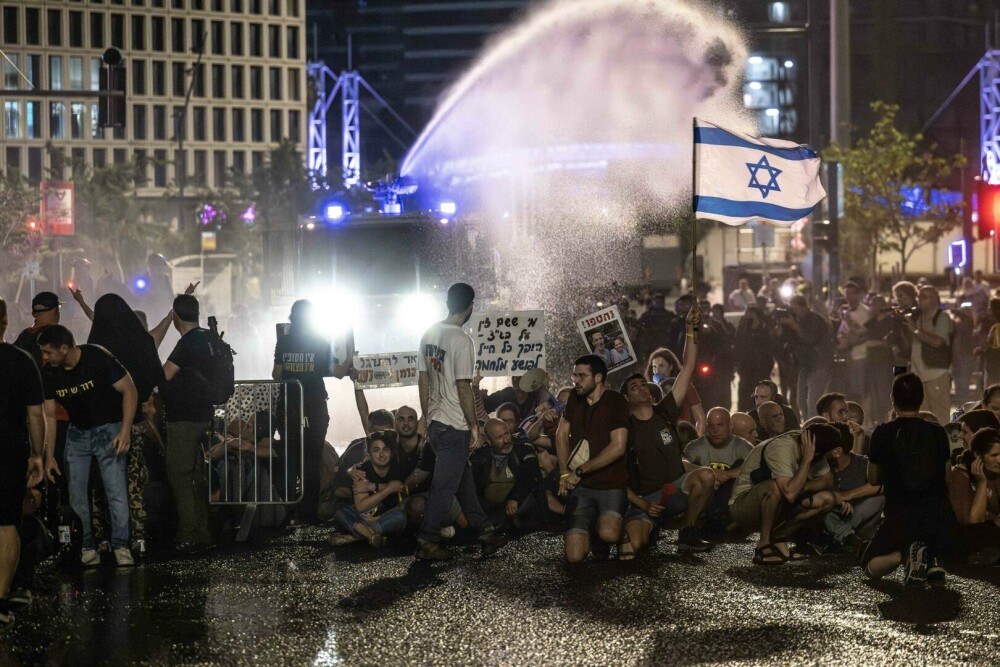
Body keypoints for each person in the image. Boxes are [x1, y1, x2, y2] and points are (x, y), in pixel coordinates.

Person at [414, 283, 507, 560]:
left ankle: (486, 532)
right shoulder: (462, 340)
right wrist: (475, 425)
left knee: (462, 480)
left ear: (447, 302)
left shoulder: (430, 333)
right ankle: (427, 540)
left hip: (438, 422)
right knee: (444, 486)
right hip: (455, 425)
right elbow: (464, 386)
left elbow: (423, 378)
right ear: (470, 307)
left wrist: (428, 415)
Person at [38, 325, 138, 567]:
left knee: (115, 491)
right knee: (77, 495)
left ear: (64, 348)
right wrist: (48, 455)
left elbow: (130, 390)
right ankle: (86, 547)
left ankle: (121, 546)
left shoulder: (97, 358)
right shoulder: (50, 373)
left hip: (109, 429)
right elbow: (49, 416)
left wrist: (125, 430)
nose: (44, 357)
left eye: (47, 352)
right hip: (78, 432)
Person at [620, 323, 716, 556]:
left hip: (674, 489)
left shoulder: (665, 411)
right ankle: (649, 527)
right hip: (644, 499)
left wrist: (690, 329)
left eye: (643, 384)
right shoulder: (623, 428)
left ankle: (688, 531)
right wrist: (643, 505)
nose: (642, 388)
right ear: (626, 397)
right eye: (634, 387)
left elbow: (688, 368)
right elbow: (615, 477)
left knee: (705, 475)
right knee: (635, 547)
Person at [86, 293, 167, 556]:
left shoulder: (97, 347)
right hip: (135, 425)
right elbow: (156, 377)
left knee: (103, 484)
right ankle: (138, 537)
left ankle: (103, 538)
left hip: (103, 426)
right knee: (134, 482)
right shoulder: (141, 342)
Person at [273, 299, 348, 521]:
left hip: (289, 406)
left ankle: (287, 509)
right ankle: (309, 511)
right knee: (312, 459)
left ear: (292, 318)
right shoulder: (319, 342)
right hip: (314, 405)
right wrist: (351, 358)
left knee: (291, 456)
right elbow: (338, 371)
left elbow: (276, 375)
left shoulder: (284, 342)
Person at [728, 423, 841, 565]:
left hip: (777, 505)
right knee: (774, 487)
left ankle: (778, 538)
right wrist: (806, 459)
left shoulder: (813, 444)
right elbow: (790, 494)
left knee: (827, 499)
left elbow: (827, 481)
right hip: (743, 507)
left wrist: (802, 487)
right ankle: (763, 545)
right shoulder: (782, 447)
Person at [556, 353, 631, 563]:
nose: (575, 380)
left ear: (598, 378)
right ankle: (593, 531)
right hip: (581, 486)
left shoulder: (616, 401)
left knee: (609, 533)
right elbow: (561, 434)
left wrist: (579, 471)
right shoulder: (574, 397)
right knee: (574, 556)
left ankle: (619, 529)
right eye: (574, 375)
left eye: (581, 376)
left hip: (610, 484)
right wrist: (563, 472)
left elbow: (618, 447)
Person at [0, 300, 45, 626]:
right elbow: (34, 414)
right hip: (9, 449)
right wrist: (37, 454)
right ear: (4, 322)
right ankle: (0, 599)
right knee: (6, 523)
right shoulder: (21, 360)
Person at [160, 295, 215, 553]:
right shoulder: (209, 338)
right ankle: (203, 531)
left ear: (175, 317)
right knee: (196, 476)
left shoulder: (186, 344)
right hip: (205, 415)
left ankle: (188, 534)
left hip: (183, 418)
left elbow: (165, 375)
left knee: (179, 476)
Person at [683, 407, 754, 535]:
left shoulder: (742, 445)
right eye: (711, 426)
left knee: (740, 472)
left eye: (720, 425)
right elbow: (682, 464)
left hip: (729, 496)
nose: (715, 430)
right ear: (706, 427)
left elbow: (755, 466)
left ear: (730, 426)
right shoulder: (696, 446)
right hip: (705, 493)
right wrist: (710, 473)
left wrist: (726, 474)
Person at [332, 431, 408, 548]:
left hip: (382, 517)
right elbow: (361, 507)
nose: (381, 454)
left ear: (391, 452)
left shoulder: (397, 469)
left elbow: (402, 503)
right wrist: (388, 489)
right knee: (340, 512)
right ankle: (371, 536)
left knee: (400, 517)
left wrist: (373, 487)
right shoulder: (361, 471)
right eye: (376, 450)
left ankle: (357, 536)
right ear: (369, 454)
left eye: (385, 449)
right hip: (362, 516)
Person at [470, 418, 543, 532]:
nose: (505, 440)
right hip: (491, 506)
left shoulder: (522, 448)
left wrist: (515, 498)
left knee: (527, 503)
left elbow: (528, 475)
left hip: (518, 502)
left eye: (507, 434)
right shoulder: (480, 457)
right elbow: (471, 488)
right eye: (499, 437)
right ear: (489, 441)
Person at [821, 423, 884, 553]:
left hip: (857, 514)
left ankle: (843, 539)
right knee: (822, 507)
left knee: (880, 498)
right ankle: (847, 538)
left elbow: (879, 484)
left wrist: (848, 495)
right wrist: (837, 500)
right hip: (835, 515)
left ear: (837, 452)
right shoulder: (822, 466)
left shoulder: (862, 463)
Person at [784, 295, 834, 420]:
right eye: (792, 309)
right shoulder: (798, 320)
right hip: (805, 364)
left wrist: (794, 326)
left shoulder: (815, 320)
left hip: (819, 363)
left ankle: (815, 428)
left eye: (795, 309)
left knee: (814, 401)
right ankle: (808, 423)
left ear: (804, 307)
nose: (793, 312)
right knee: (801, 400)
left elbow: (810, 338)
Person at [910, 286, 954, 425]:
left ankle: (943, 445)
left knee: (940, 417)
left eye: (924, 297)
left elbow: (938, 342)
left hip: (936, 374)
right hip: (918, 375)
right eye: (919, 296)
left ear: (934, 299)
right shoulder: (917, 317)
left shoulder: (942, 317)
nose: (919, 300)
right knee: (922, 418)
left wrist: (916, 330)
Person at [644, 347, 706, 434]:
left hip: (682, 437)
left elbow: (700, 419)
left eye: (661, 366)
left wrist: (694, 443)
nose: (657, 370)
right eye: (654, 367)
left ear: (671, 367)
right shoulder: (648, 391)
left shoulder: (686, 387)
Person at [949, 427, 1000, 525]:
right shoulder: (961, 474)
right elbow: (974, 522)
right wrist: (982, 483)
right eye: (994, 455)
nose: (999, 460)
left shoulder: (996, 473)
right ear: (978, 455)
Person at [836, 281, 872, 407]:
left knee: (860, 389)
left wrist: (848, 322)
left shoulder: (864, 312)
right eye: (846, 294)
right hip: (848, 355)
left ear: (858, 295)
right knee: (850, 389)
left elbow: (863, 334)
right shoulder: (846, 311)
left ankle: (864, 416)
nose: (849, 297)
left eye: (852, 293)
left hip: (861, 354)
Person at [734, 305, 775, 412]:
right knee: (745, 393)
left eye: (751, 312)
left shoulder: (764, 328)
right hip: (746, 366)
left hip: (761, 365)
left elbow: (768, 346)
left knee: (761, 391)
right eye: (747, 312)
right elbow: (738, 343)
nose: (748, 315)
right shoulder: (744, 327)